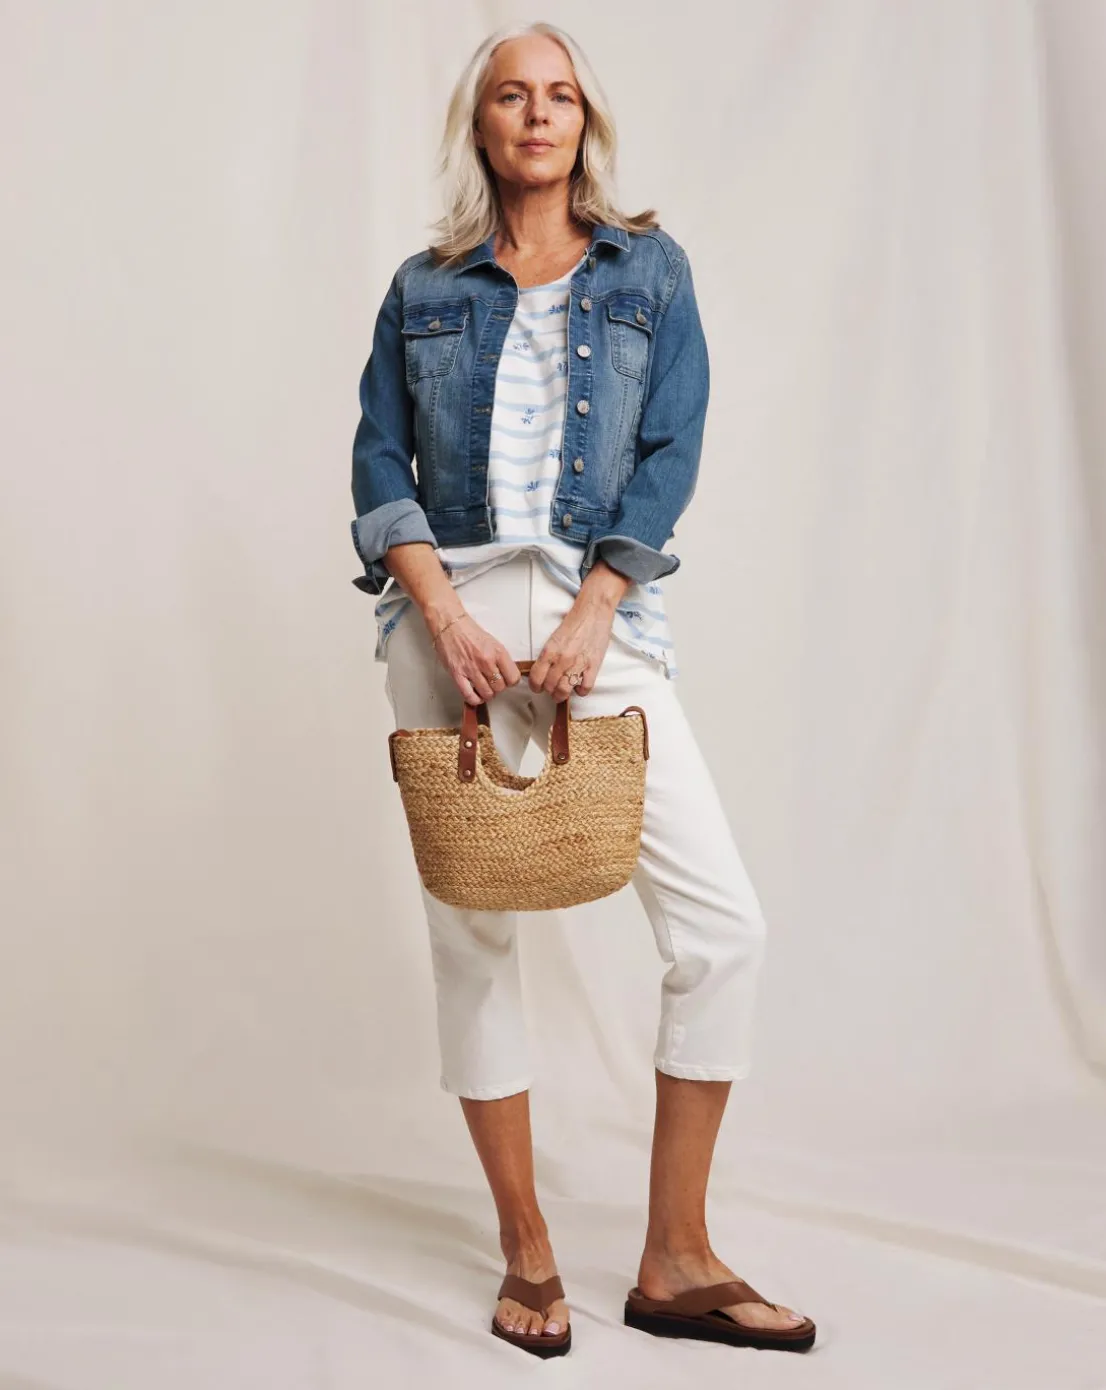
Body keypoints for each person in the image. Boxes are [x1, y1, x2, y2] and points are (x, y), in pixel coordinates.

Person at [348, 20, 815, 1359]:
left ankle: (676, 1257)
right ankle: (528, 1246)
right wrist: (443, 616)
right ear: (481, 122)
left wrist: (600, 605)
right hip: (447, 622)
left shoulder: (648, 271)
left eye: (559, 94)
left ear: (584, 122)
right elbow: (377, 461)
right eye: (513, 94)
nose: (538, 113)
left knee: (722, 927)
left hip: (597, 620)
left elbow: (668, 451)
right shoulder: (422, 287)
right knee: (472, 933)